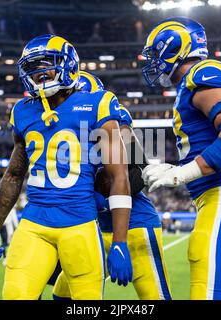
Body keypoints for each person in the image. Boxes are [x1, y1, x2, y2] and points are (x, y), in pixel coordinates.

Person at [0, 34, 132, 300]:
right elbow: (14, 174)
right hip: (34, 223)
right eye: (32, 67)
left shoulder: (98, 104)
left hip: (80, 225)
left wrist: (120, 241)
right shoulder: (22, 111)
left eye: (46, 64)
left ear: (68, 65)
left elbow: (119, 174)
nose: (39, 73)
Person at [140, 17, 221, 300]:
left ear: (175, 47)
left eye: (156, 54)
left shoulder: (203, 73)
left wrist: (182, 174)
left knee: (205, 283)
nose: (154, 62)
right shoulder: (189, 84)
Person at [52, 71, 172, 300]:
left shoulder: (113, 122)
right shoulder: (62, 133)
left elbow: (137, 174)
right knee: (62, 295)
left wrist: (98, 195)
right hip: (91, 230)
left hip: (134, 225)